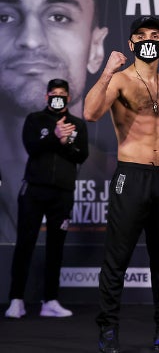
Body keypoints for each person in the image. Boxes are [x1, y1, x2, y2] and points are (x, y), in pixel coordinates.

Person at [83, 16, 159, 353]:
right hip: (131, 177)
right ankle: (108, 331)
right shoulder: (120, 80)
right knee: (117, 258)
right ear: (133, 44)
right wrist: (108, 70)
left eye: (156, 35)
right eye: (141, 36)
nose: (149, 40)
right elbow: (91, 113)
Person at [0, 0, 108, 242]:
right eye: (5, 17)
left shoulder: (134, 185)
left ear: (96, 49)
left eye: (58, 16)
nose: (31, 39)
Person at [5, 78, 89, 319]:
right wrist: (54, 136)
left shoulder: (77, 125)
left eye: (62, 94)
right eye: (54, 94)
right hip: (33, 191)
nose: (58, 97)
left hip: (62, 193)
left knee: (56, 247)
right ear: (47, 97)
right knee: (25, 245)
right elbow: (32, 147)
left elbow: (81, 155)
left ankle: (50, 301)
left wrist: (64, 141)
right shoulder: (35, 120)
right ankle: (16, 300)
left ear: (68, 97)